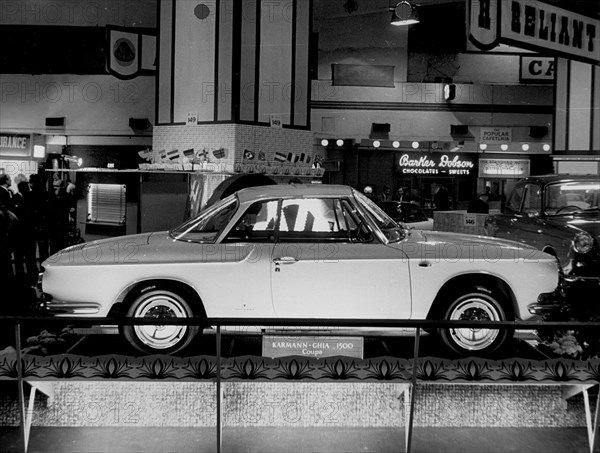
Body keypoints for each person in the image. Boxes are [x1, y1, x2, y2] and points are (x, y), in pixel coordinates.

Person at [13, 180, 38, 284]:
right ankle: (22, 276)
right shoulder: (16, 199)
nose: (29, 188)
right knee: (21, 255)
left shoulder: (26, 198)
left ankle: (29, 275)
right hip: (21, 232)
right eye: (27, 187)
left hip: (26, 232)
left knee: (28, 255)